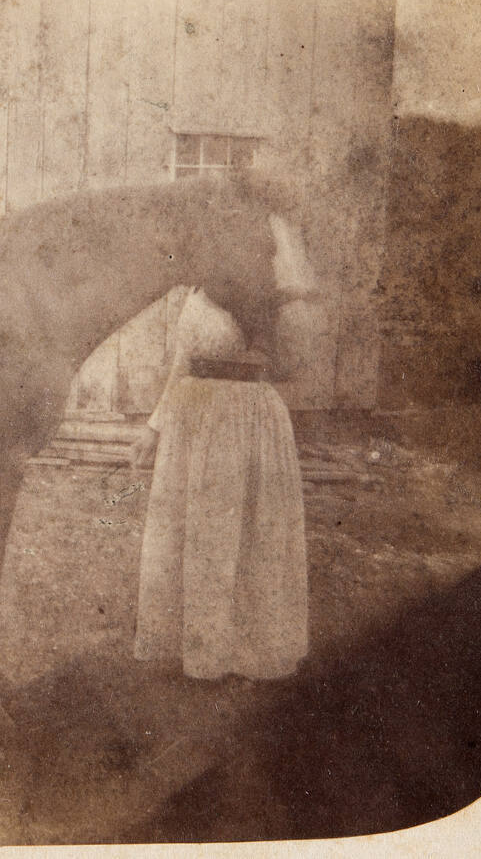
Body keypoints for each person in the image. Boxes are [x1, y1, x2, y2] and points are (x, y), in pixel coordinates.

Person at [129, 215, 321, 681]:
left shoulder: (269, 302)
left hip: (244, 422)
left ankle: (243, 647)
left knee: (239, 532)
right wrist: (153, 427)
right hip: (193, 420)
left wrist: (279, 314)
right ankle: (196, 644)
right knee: (196, 532)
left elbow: (293, 363)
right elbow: (181, 364)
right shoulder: (198, 294)